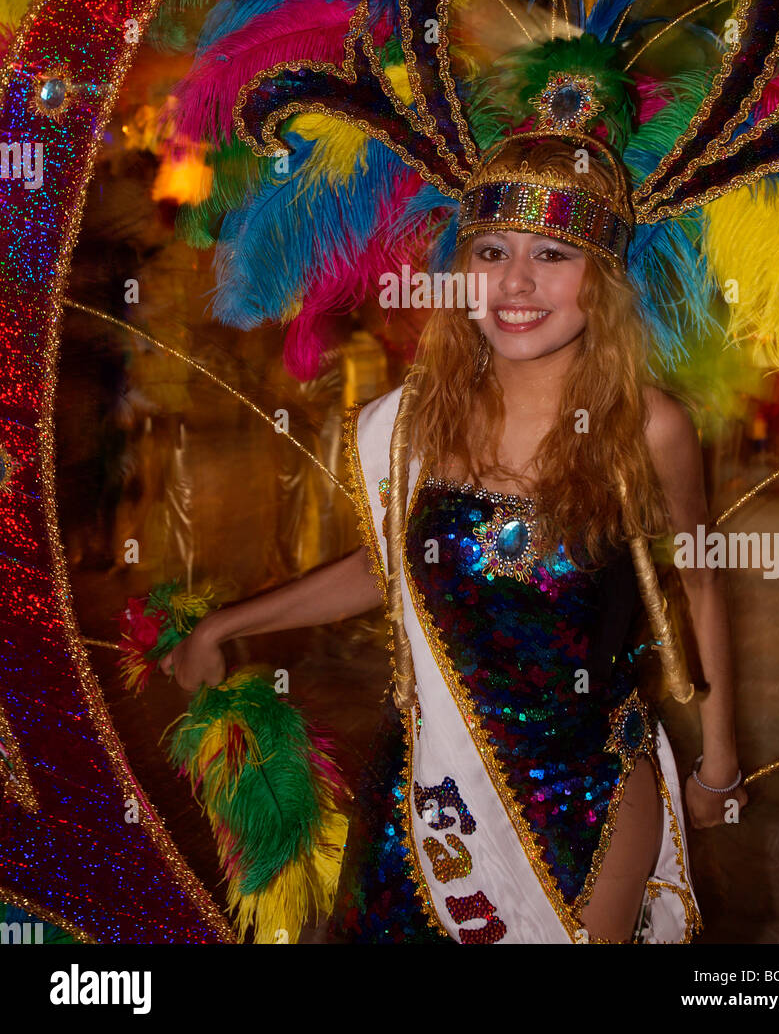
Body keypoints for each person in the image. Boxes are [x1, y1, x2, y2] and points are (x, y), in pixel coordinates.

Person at [161, 134, 747, 944]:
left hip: (591, 795)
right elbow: (393, 570)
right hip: (428, 793)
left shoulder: (648, 429)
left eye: (553, 254)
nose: (516, 282)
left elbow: (703, 579)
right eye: (491, 251)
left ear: (603, 282)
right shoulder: (414, 426)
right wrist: (229, 624)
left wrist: (719, 762)